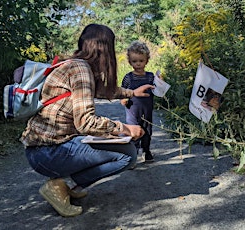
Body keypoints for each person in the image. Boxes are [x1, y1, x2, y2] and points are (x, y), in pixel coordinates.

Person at [20, 24, 154, 217]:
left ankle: (67, 186)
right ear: (104, 48)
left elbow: (101, 90)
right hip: (48, 151)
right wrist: (124, 128)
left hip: (44, 149)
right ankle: (61, 187)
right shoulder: (81, 69)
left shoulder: (75, 64)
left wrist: (132, 92)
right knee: (127, 155)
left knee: (122, 150)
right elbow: (86, 122)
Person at [120, 41, 156, 163]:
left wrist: (160, 83)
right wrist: (123, 100)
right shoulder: (128, 78)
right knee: (133, 131)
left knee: (147, 131)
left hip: (147, 109)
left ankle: (146, 151)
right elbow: (123, 92)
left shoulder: (151, 77)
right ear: (130, 62)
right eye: (134, 61)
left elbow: (158, 90)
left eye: (141, 61)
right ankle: (133, 154)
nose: (138, 64)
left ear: (147, 60)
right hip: (132, 110)